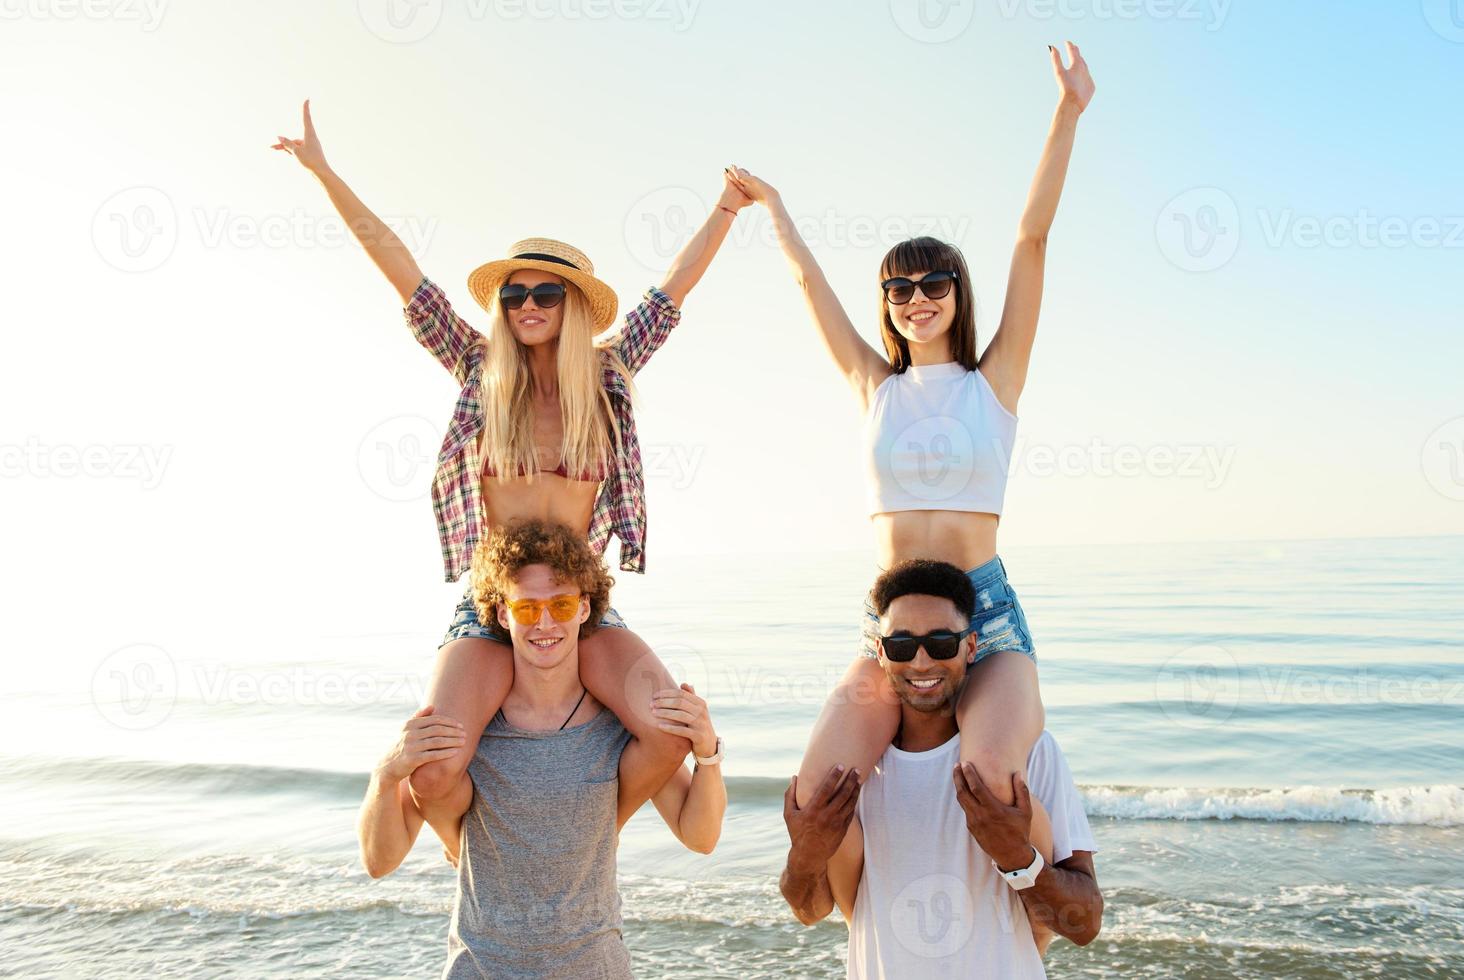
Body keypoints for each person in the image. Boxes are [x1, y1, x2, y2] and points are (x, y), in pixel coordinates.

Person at [272, 99, 751, 810]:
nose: (528, 305)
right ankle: (461, 847)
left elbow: (672, 290)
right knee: (432, 768)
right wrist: (322, 171)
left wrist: (726, 206)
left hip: (578, 605)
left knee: (669, 727)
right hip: (492, 607)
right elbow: (399, 267)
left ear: (573, 305)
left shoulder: (610, 374)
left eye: (546, 293)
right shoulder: (476, 369)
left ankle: (584, 837)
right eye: (516, 293)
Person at [726, 43, 1096, 837]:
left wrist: (1066, 112)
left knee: (987, 777)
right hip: (891, 624)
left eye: (934, 284)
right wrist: (775, 208)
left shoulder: (992, 385)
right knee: (817, 792)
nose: (916, 298)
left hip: (985, 616)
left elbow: (1030, 239)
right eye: (898, 287)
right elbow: (805, 284)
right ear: (886, 302)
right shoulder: (874, 388)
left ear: (957, 294)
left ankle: (1038, 899)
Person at [356, 519, 728, 978]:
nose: (546, 623)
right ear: (503, 614)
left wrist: (708, 752)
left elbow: (701, 836)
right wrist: (385, 775)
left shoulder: (616, 730)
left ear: (583, 608)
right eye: (528, 609)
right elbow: (378, 862)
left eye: (561, 604)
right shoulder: (468, 735)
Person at [780, 560, 1102, 978]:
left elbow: (1084, 926)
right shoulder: (852, 770)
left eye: (941, 642)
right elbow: (810, 911)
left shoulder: (1029, 753)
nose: (920, 662)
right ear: (880, 653)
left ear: (970, 647)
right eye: (901, 645)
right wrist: (805, 856)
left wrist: (1019, 857)